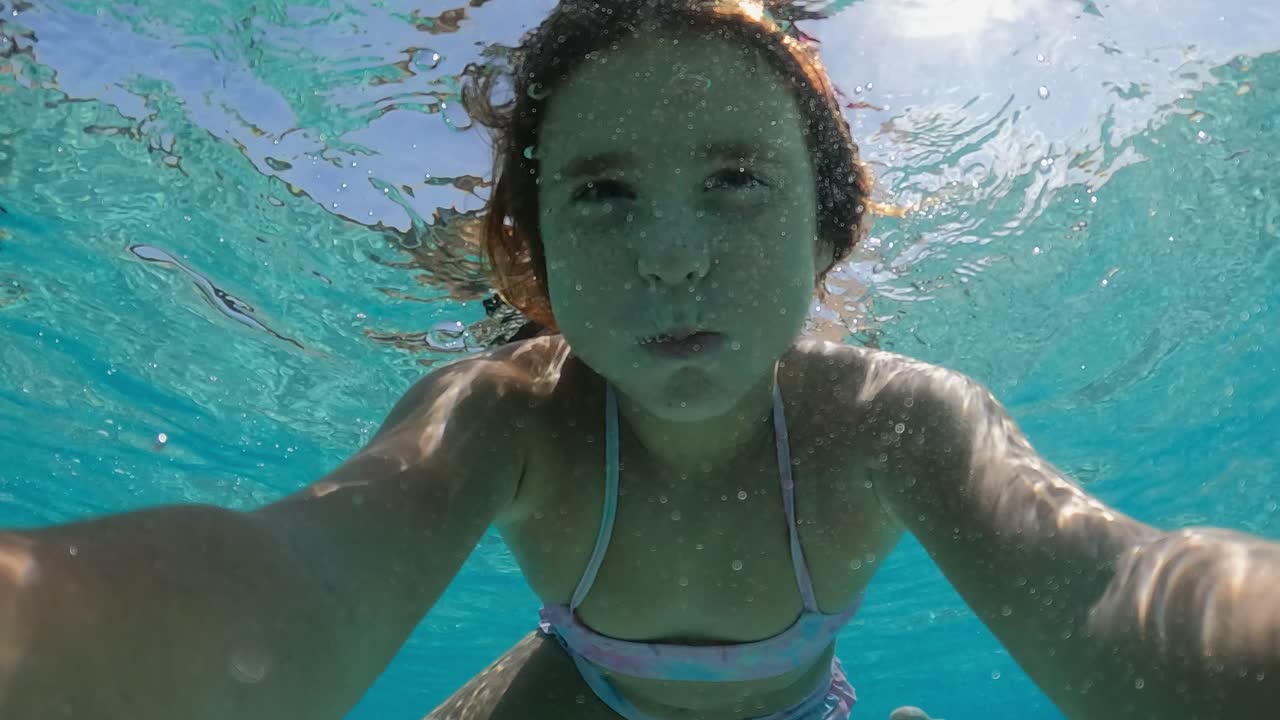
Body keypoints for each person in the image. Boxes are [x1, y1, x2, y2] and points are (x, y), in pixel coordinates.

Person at [1, 2, 1278, 719]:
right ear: (533, 256)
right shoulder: (506, 419)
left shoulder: (894, 419)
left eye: (733, 178)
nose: (671, 255)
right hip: (570, 703)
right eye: (604, 192)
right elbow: (284, 586)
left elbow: (1122, 590)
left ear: (825, 228)